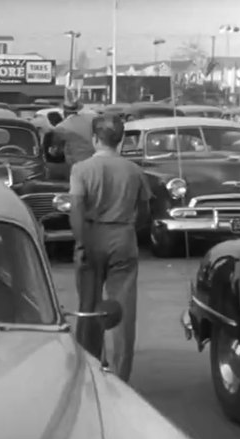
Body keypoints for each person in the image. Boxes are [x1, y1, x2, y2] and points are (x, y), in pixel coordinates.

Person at [69, 114, 152, 383]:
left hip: (92, 235)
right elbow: (145, 212)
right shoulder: (134, 170)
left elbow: (77, 210)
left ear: (95, 139)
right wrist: (127, 228)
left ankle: (90, 368)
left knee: (89, 306)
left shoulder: (81, 170)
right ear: (121, 140)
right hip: (123, 236)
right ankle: (121, 374)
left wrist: (82, 243)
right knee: (123, 310)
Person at [51, 95, 96, 165]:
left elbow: (56, 150)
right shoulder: (90, 120)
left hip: (75, 163)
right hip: (93, 160)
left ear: (64, 111)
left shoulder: (61, 127)